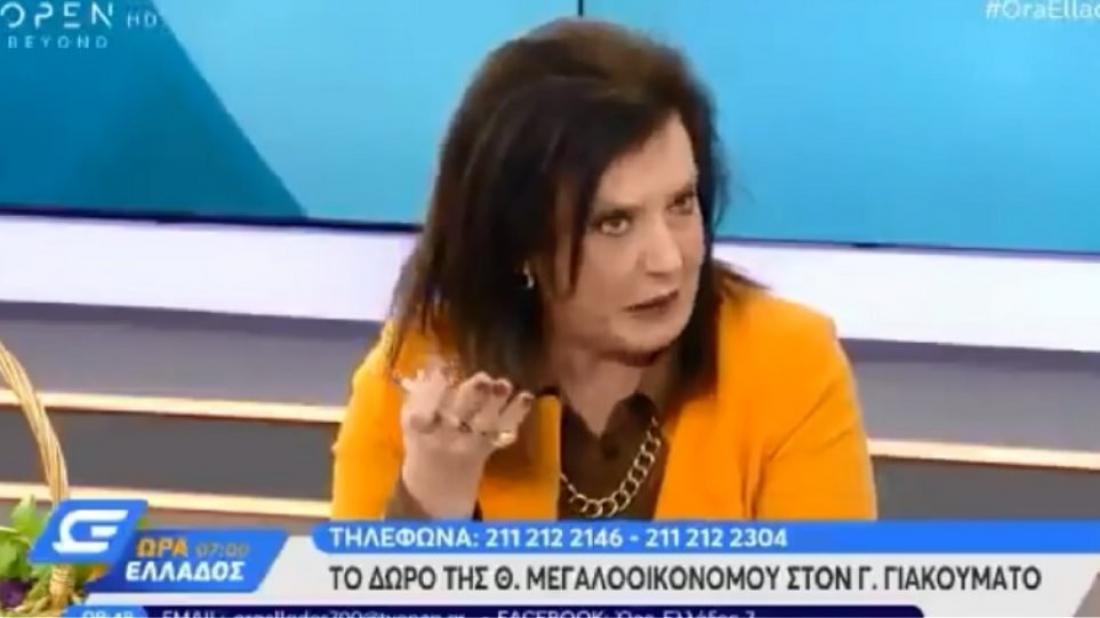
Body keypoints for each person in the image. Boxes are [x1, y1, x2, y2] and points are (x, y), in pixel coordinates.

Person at [331, 18, 876, 520]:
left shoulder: (788, 364)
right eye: (614, 223)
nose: (668, 260)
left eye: (681, 204)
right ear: (517, 241)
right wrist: (434, 497)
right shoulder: (416, 386)